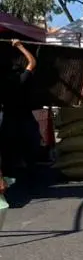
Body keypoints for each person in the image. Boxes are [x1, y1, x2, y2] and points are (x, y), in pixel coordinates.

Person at [1, 42, 39, 180]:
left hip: (8, 119)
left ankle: (8, 174)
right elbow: (32, 62)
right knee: (30, 147)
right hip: (24, 118)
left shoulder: (4, 84)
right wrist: (20, 46)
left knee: (7, 148)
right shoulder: (21, 79)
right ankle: (30, 172)